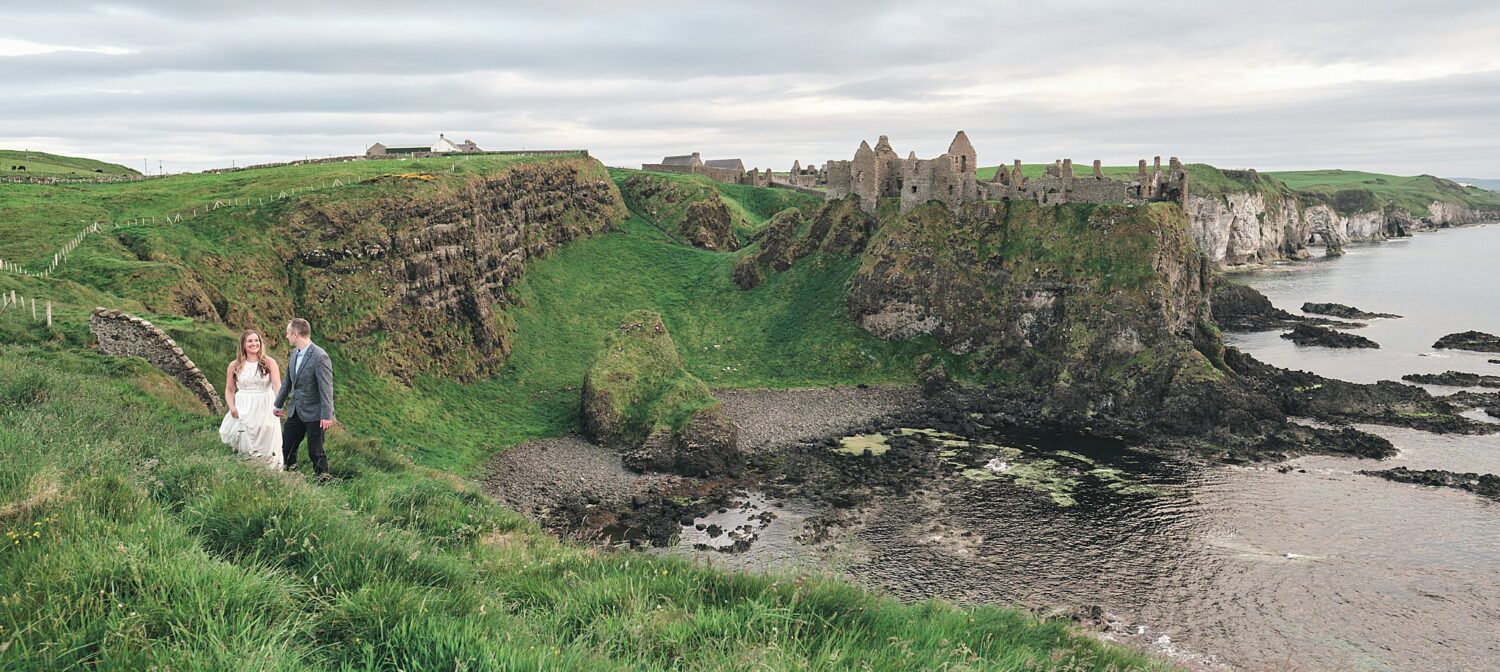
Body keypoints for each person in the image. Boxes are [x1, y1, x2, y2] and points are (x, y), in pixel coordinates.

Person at [273, 318, 336, 480]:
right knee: (286, 447)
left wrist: (326, 415)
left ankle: (324, 481)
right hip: (295, 411)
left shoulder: (320, 356)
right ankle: (290, 478)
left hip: (315, 413)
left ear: (295, 334)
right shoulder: (293, 354)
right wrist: (278, 405)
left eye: (288, 333)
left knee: (315, 451)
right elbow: (287, 382)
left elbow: (326, 388)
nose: (286, 336)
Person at [219, 329, 284, 469]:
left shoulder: (269, 362)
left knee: (268, 438)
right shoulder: (234, 365)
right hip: (244, 407)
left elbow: (277, 385)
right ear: (243, 344)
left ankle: (271, 472)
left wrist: (279, 404)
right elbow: (230, 389)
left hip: (265, 405)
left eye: (256, 340)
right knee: (245, 438)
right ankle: (248, 471)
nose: (254, 343)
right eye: (250, 341)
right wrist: (232, 408)